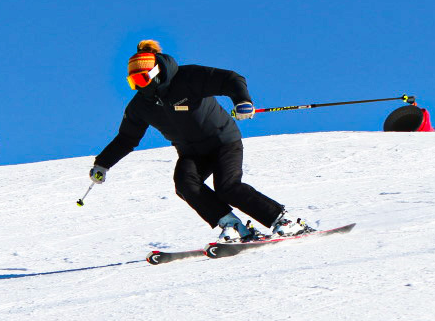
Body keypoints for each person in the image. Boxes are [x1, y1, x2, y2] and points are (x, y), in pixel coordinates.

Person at [89, 40, 311, 242]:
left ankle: (284, 221)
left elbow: (230, 79)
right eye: (133, 82)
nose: (139, 86)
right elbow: (127, 138)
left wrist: (242, 101)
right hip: (192, 152)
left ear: (155, 72)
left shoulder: (187, 78)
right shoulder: (140, 106)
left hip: (223, 140)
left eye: (141, 79)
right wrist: (103, 163)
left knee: (227, 187)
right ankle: (232, 226)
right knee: (185, 185)